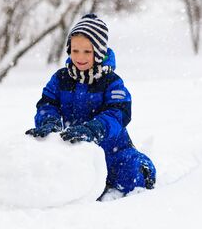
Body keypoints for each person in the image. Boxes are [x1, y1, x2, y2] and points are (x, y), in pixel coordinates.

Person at [26, 13, 156, 198]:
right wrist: (49, 122)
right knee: (60, 180)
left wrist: (94, 129)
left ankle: (142, 167)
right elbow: (47, 103)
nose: (80, 57)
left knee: (130, 177)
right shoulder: (60, 78)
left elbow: (119, 112)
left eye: (87, 51)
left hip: (111, 147)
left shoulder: (111, 81)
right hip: (73, 143)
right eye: (75, 50)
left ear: (99, 52)